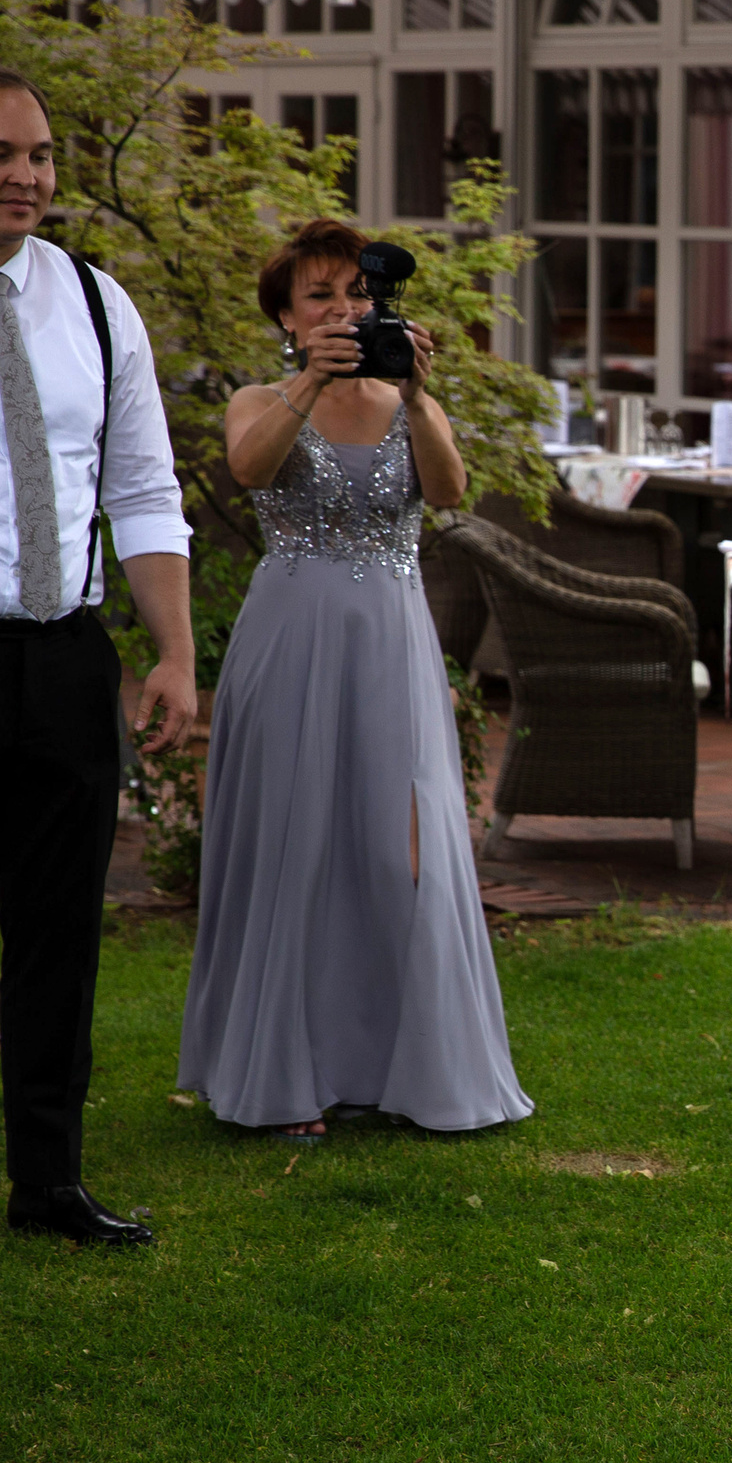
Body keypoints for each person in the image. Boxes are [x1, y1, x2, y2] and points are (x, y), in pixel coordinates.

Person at [176, 219, 531, 1138]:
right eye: (321, 297)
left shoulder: (403, 393)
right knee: (298, 846)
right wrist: (308, 382)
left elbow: (449, 492)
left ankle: (403, 1069)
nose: (345, 310)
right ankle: (285, 1080)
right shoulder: (261, 395)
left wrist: (414, 393)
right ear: (287, 317)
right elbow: (249, 468)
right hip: (292, 636)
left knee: (398, 849)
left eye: (356, 295)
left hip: (393, 639)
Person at [0, 64, 194, 1246]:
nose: (28, 177)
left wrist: (173, 652)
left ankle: (47, 1182)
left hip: (62, 659)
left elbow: (145, 488)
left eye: (40, 154)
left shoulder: (99, 306)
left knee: (59, 928)